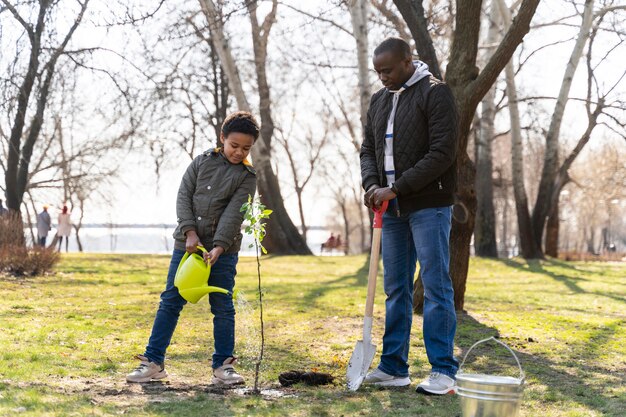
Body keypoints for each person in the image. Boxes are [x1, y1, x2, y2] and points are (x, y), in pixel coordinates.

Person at [126, 111, 259, 385]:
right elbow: (183, 196)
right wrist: (189, 232)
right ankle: (153, 362)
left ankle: (223, 366)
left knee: (222, 305)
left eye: (246, 148)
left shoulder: (247, 176)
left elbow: (234, 214)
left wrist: (219, 247)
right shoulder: (200, 162)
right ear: (222, 138)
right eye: (234, 145)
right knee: (171, 300)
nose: (238, 152)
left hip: (223, 253)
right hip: (187, 248)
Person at [359, 37, 459, 395]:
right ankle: (393, 368)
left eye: (387, 70)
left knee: (435, 286)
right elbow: (368, 149)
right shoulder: (379, 100)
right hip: (392, 209)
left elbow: (443, 153)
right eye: (378, 72)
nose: (383, 77)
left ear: (407, 61)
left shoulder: (436, 93)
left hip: (428, 205)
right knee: (395, 288)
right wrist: (372, 186)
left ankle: (444, 371)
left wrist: (397, 187)